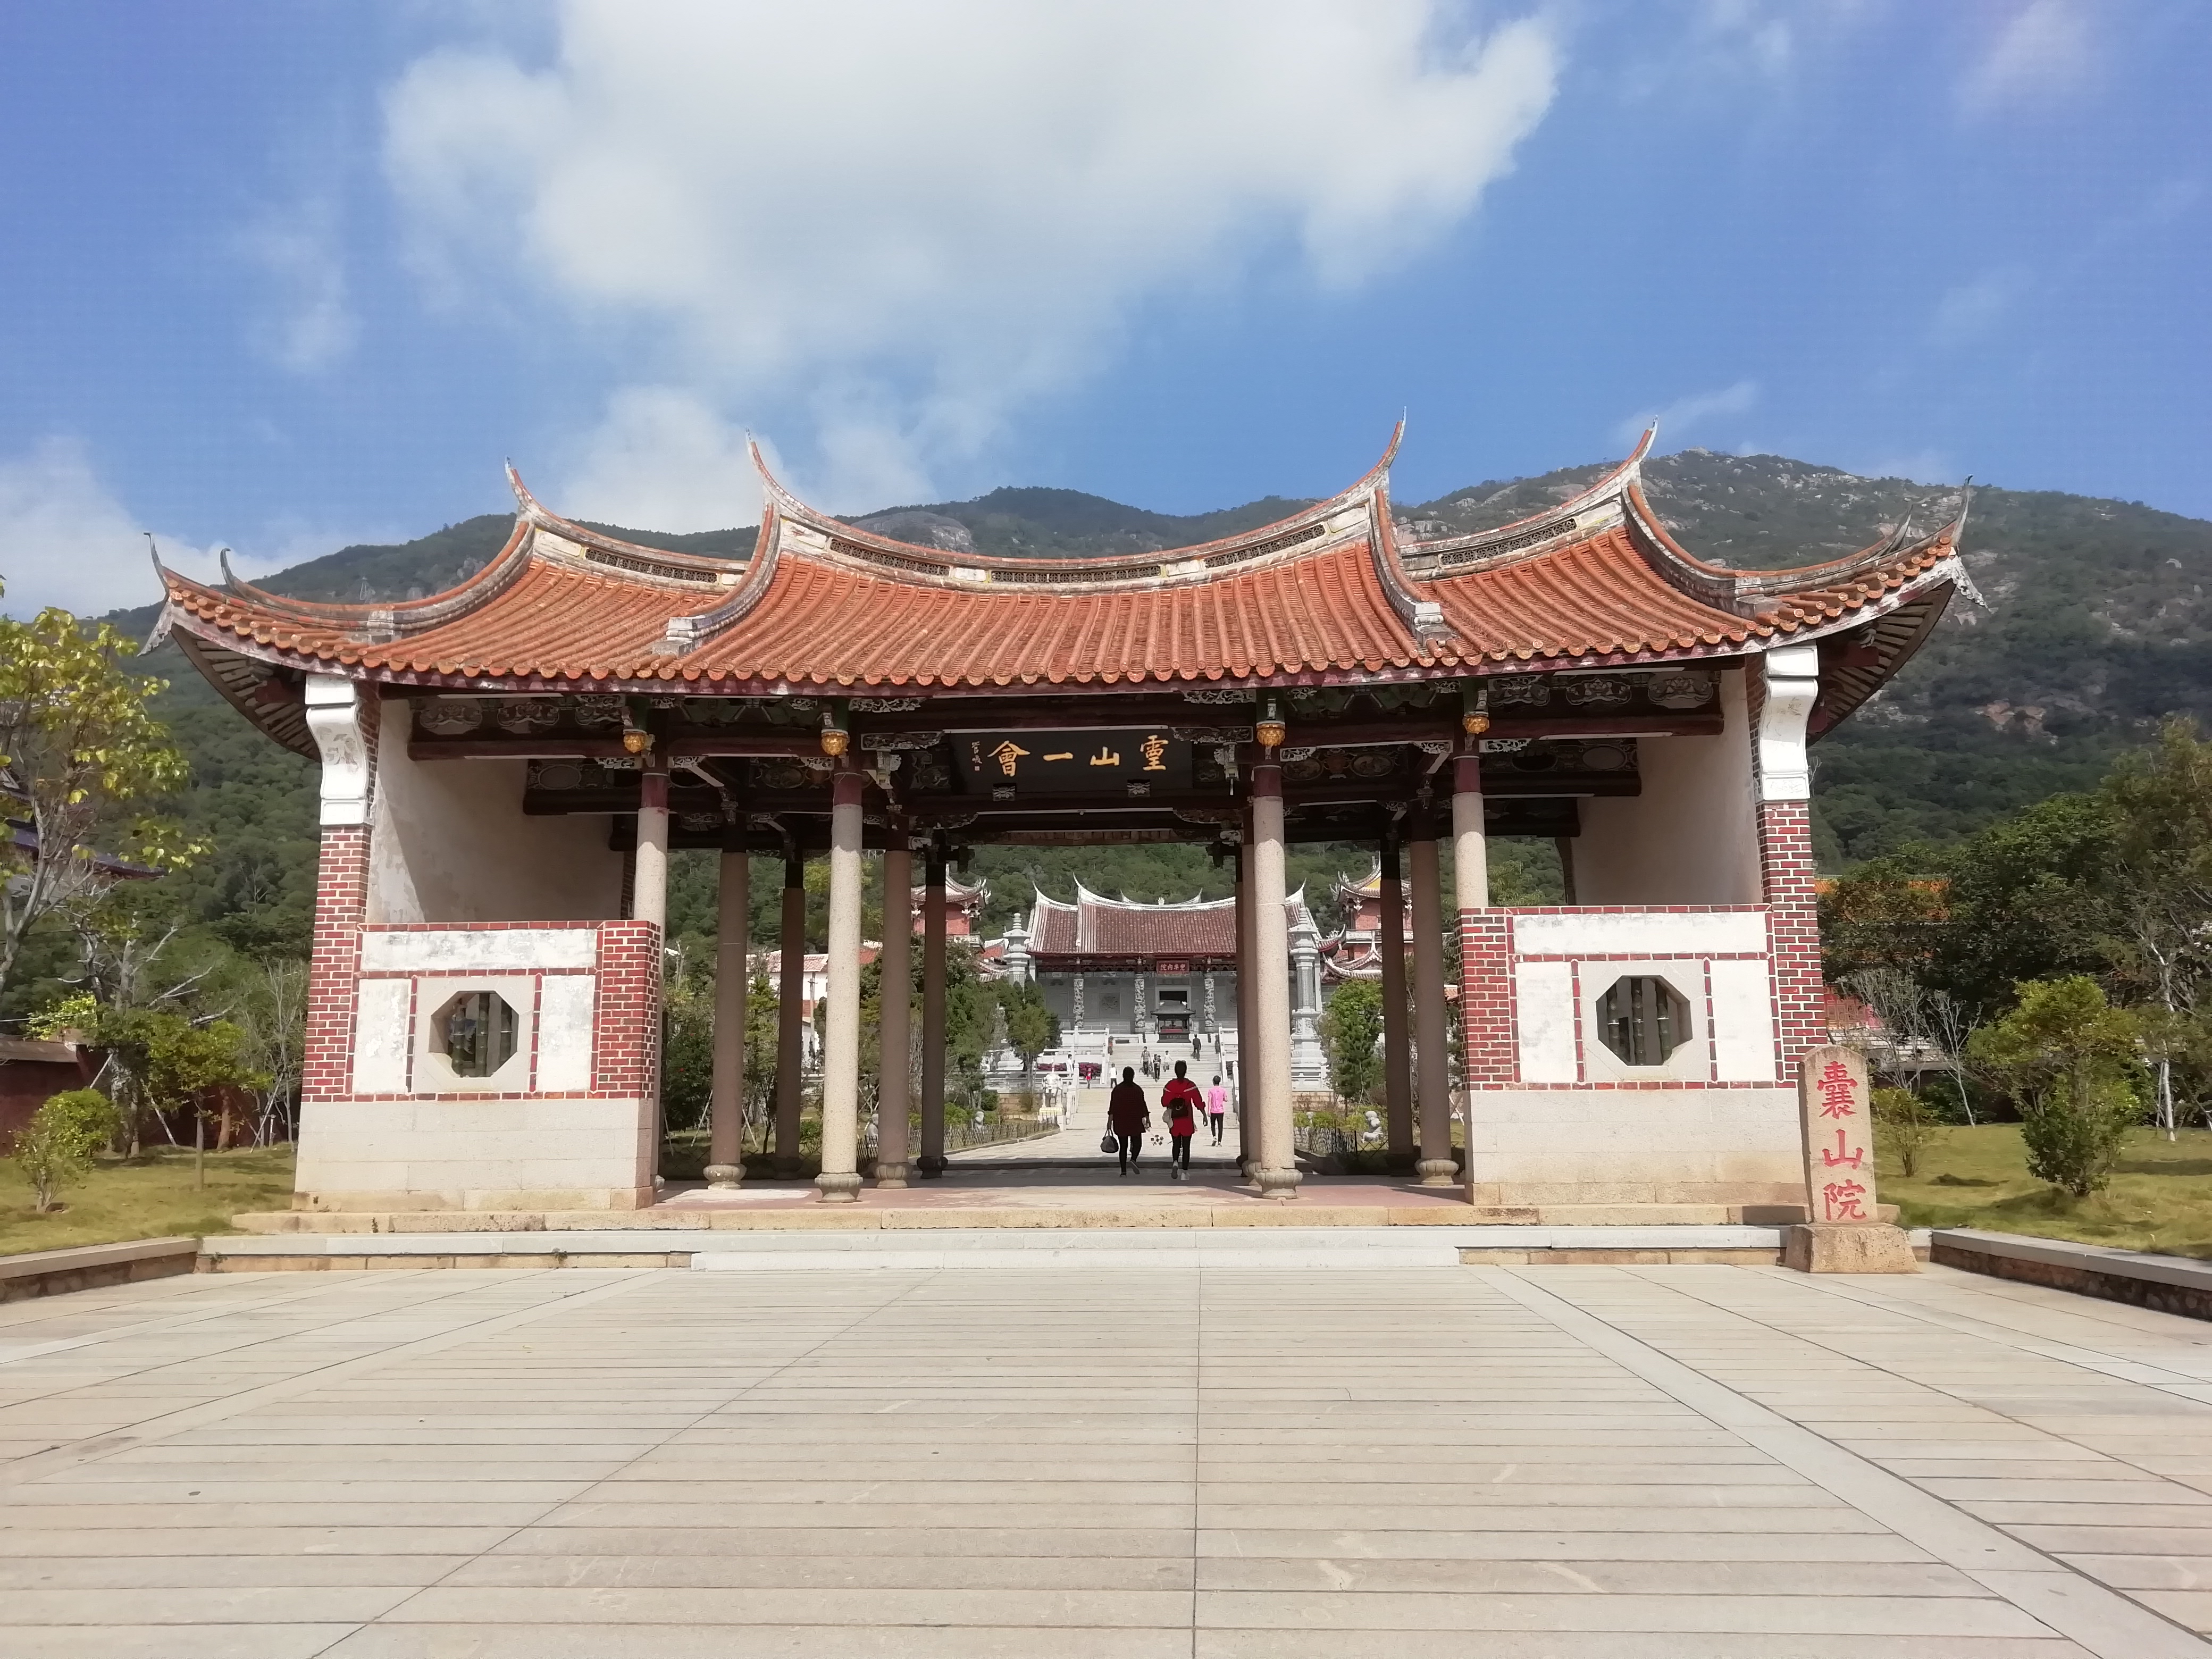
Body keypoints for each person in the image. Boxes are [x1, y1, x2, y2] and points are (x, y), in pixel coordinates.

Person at [1160, 1060, 1203, 1180]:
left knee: (1176, 1144)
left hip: (1174, 1121)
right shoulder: (1190, 1086)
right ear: (1185, 1071)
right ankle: (1184, 1172)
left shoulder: (1169, 1086)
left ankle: (1175, 1162)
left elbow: (1164, 1103)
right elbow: (1198, 1102)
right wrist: (1204, 1114)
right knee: (1187, 1146)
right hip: (1187, 1120)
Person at [1107, 1067, 1150, 1177]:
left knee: (1123, 1146)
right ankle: (1133, 1159)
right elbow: (1143, 1105)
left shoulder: (1117, 1090)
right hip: (1135, 1121)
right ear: (1133, 1076)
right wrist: (1147, 1118)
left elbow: (1113, 1107)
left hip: (1121, 1121)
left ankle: (1123, 1172)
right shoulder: (1137, 1089)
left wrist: (1109, 1122)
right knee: (1138, 1144)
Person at [1204, 1074, 1229, 1146]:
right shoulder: (1223, 1090)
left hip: (1213, 1110)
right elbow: (1226, 1099)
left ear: (1213, 1082)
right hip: (1221, 1111)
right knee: (1220, 1126)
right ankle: (1219, 1142)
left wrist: (1208, 1111)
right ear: (1220, 1082)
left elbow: (1210, 1101)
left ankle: (1214, 1136)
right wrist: (1222, 1099)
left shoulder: (1211, 1090)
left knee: (1213, 1125)